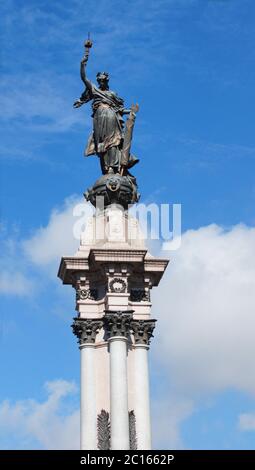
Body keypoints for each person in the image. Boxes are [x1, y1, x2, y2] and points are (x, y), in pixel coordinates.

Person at [73, 57, 138, 174]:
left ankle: (113, 167)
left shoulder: (112, 94)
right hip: (98, 119)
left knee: (114, 141)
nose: (100, 82)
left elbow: (120, 109)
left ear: (107, 81)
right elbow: (84, 78)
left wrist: (131, 112)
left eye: (103, 80)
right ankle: (106, 168)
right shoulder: (94, 90)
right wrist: (82, 65)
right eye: (99, 81)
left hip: (111, 116)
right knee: (100, 144)